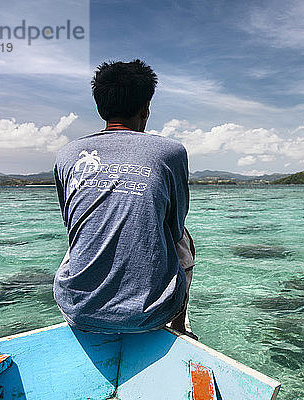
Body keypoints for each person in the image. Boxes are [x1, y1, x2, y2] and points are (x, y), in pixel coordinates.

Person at [52, 59, 195, 338]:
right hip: (150, 314)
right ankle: (178, 325)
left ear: (99, 107)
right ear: (146, 108)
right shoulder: (170, 152)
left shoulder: (67, 154)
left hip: (77, 311)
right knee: (184, 239)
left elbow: (71, 222)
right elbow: (176, 225)